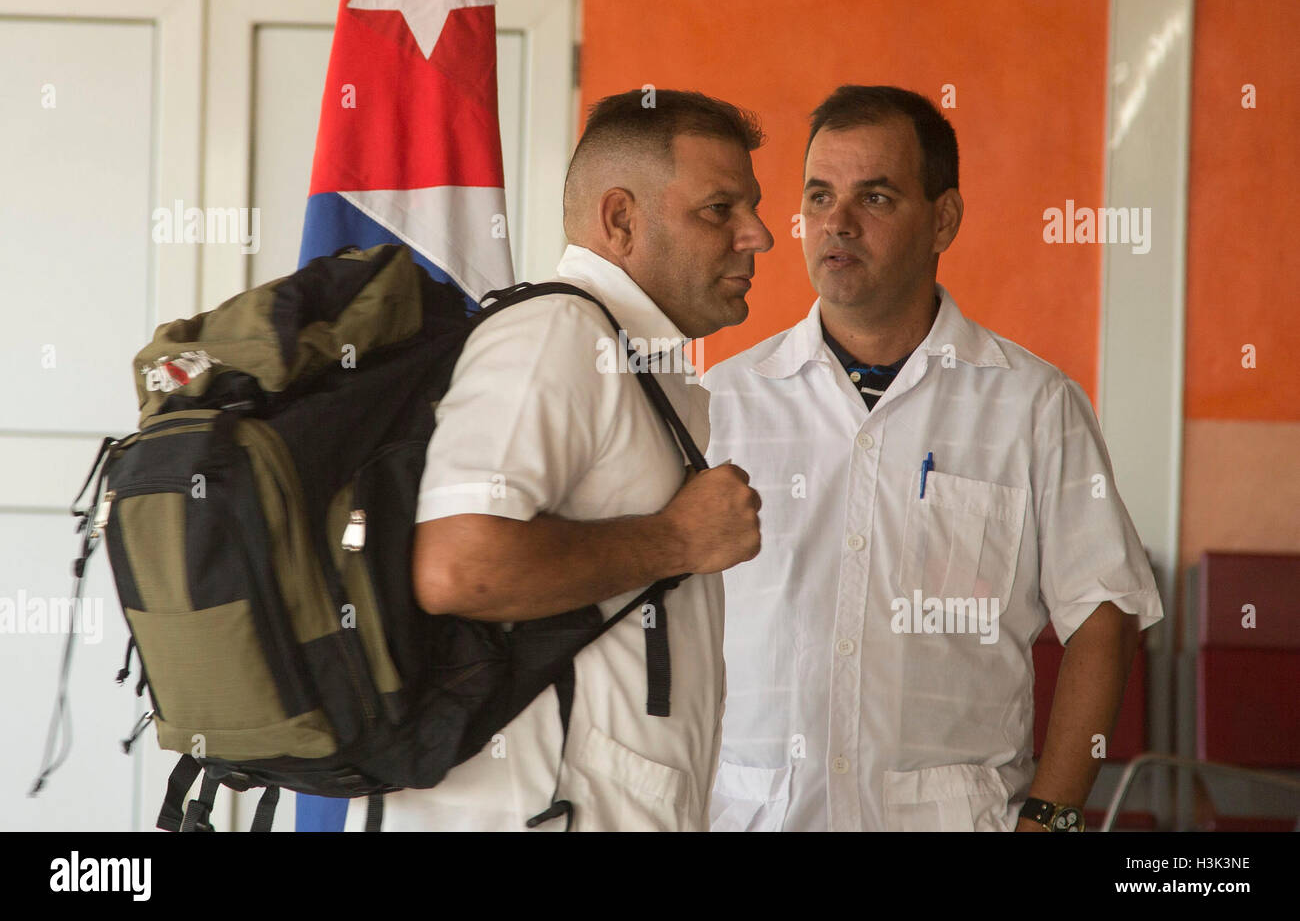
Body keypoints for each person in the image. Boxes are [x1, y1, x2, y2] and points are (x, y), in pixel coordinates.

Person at [704, 85, 1163, 832]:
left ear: (942, 218)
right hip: (752, 816)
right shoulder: (723, 403)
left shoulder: (1033, 405)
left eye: (875, 197)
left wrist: (1051, 819)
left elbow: (1105, 618)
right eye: (819, 196)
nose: (837, 223)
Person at [343, 88, 773, 831]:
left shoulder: (626, 354)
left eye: (753, 208)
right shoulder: (558, 336)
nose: (759, 235)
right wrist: (678, 540)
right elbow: (459, 564)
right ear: (620, 219)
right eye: (720, 209)